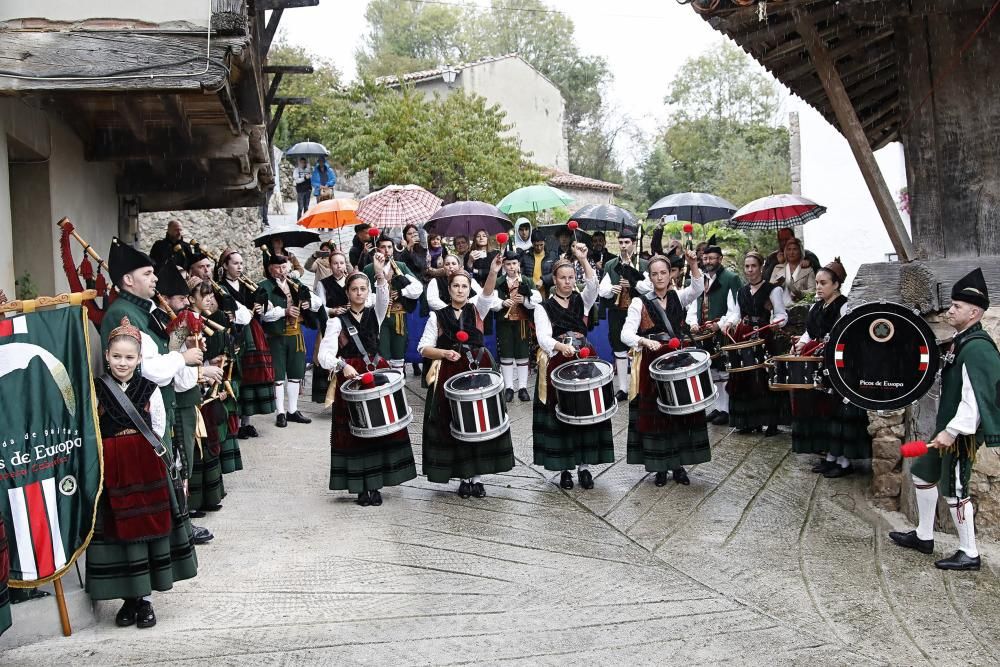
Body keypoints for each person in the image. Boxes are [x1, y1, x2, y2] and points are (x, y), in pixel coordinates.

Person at [101, 240, 216, 547]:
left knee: (172, 470)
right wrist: (183, 359)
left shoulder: (143, 311)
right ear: (128, 279)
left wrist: (184, 347)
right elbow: (144, 368)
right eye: (148, 273)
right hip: (138, 416)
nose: (155, 279)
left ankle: (177, 530)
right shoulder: (123, 314)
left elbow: (162, 349)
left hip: (159, 406)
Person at [88, 317, 197, 629]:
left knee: (148, 533)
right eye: (117, 356)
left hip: (146, 468)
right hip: (114, 471)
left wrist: (152, 458)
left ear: (138, 360)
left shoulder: (150, 387)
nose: (123, 363)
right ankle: (128, 598)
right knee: (120, 534)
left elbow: (159, 426)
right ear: (107, 357)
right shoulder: (97, 389)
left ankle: (145, 598)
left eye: (129, 357)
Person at [890, 269, 998, 571]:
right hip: (948, 428)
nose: (950, 311)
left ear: (974, 312)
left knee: (955, 489)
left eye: (957, 307)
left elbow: (975, 399)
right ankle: (924, 536)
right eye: (951, 305)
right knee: (923, 474)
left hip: (960, 434)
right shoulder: (961, 340)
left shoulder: (977, 348)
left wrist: (951, 432)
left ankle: (969, 552)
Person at [317, 265, 417, 506]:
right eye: (354, 289)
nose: (359, 293)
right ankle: (361, 486)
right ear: (347, 292)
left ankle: (377, 484)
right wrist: (342, 366)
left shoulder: (377, 313)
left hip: (377, 373)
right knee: (355, 432)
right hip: (351, 378)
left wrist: (381, 273)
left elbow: (383, 295)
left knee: (380, 428)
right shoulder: (336, 322)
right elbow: (323, 356)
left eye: (363, 289)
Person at [418, 254, 513, 498]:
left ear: (469, 289)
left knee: (481, 422)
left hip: (478, 368)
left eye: (464, 286)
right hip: (449, 372)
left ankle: (478, 478)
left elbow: (488, 294)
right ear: (449, 289)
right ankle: (463, 477)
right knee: (454, 423)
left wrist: (493, 271)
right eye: (456, 286)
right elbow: (424, 348)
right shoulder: (437, 316)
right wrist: (444, 352)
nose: (460, 290)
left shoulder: (477, 308)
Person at [621, 251, 706, 486]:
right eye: (655, 274)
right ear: (649, 276)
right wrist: (644, 341)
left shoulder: (678, 296)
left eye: (663, 273)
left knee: (679, 413)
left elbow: (698, 287)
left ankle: (678, 465)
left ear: (671, 275)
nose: (659, 278)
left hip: (677, 362)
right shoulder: (640, 301)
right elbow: (625, 334)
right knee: (658, 415)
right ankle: (659, 467)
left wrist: (693, 264)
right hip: (652, 364)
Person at [532, 243, 611, 490]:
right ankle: (565, 469)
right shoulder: (542, 307)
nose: (567, 282)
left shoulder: (581, 301)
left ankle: (585, 468)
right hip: (558, 362)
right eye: (562, 278)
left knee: (587, 414)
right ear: (554, 280)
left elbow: (594, 287)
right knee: (562, 415)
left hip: (585, 359)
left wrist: (583, 259)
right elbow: (543, 338)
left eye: (570, 277)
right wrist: (560, 347)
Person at [790, 258, 870, 478]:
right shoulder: (816, 306)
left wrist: (821, 345)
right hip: (820, 365)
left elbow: (844, 335)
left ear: (836, 284)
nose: (818, 287)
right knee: (824, 410)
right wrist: (801, 343)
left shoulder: (845, 306)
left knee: (839, 412)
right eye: (817, 282)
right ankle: (830, 457)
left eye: (823, 283)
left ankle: (844, 462)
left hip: (840, 367)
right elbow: (809, 332)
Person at [719, 251, 788, 436]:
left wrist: (776, 323)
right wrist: (728, 324)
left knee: (765, 378)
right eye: (747, 266)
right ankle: (751, 421)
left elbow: (782, 314)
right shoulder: (741, 291)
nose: (750, 270)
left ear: (762, 267)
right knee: (746, 378)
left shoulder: (773, 290)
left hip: (765, 337)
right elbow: (736, 313)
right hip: (744, 336)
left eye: (754, 266)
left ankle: (771, 423)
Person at [216, 249, 275, 437]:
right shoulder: (220, 288)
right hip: (233, 334)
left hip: (253, 333)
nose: (239, 267)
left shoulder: (247, 286)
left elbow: (260, 304)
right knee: (238, 376)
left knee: (253, 375)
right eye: (235, 263)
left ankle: (247, 422)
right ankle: (236, 422)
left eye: (241, 263)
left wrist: (259, 305)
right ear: (225, 265)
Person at [686, 236, 741, 425]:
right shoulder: (700, 279)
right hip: (704, 333)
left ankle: (726, 409)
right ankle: (717, 407)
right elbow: (694, 303)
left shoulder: (731, 279)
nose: (708, 261)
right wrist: (693, 322)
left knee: (724, 371)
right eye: (706, 258)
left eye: (712, 258)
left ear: (720, 259)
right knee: (712, 371)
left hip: (723, 331)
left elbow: (735, 309)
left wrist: (721, 324)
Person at [259, 252, 318, 427]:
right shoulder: (264, 287)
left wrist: (308, 303)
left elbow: (317, 302)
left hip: (295, 335)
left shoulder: (297, 284)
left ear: (289, 267)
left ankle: (292, 410)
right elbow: (264, 314)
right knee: (278, 375)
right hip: (276, 337)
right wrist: (284, 312)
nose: (281, 271)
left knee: (295, 373)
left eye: (284, 267)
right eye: (277, 267)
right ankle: (280, 412)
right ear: (270, 270)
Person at [599, 229, 650, 401]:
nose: (623, 246)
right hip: (617, 311)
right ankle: (622, 388)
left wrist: (633, 283)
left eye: (627, 242)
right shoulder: (611, 264)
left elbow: (649, 287)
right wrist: (612, 289)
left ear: (634, 243)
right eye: (620, 242)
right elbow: (602, 288)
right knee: (619, 348)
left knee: (639, 348)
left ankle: (640, 386)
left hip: (638, 313)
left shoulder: (643, 264)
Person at [363, 235, 424, 377]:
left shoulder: (400, 266)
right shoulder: (369, 268)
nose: (386, 250)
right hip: (379, 317)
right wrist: (379, 299)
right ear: (377, 249)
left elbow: (418, 288)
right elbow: (364, 294)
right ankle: (383, 382)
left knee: (399, 352)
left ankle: (397, 385)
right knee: (382, 352)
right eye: (383, 247)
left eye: (389, 247)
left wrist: (401, 293)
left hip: (398, 317)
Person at [492, 250, 542, 402]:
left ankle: (522, 388)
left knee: (522, 354)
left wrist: (525, 301)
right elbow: (490, 301)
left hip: (522, 323)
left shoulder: (526, 281)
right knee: (506, 354)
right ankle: (508, 388)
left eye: (514, 263)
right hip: (504, 323)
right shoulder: (498, 281)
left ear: (519, 264)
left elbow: (537, 301)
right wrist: (501, 303)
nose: (511, 267)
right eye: (508, 264)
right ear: (503, 266)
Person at [769, 237, 816, 307]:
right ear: (785, 251)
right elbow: (769, 289)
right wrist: (776, 285)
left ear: (800, 251)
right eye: (789, 249)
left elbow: (813, 291)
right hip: (781, 308)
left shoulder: (808, 269)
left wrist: (800, 293)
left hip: (801, 309)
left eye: (795, 249)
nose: (791, 252)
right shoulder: (777, 268)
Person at [520, 229, 556, 297]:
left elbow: (556, 273)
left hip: (547, 292)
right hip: (531, 293)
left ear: (544, 242)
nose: (539, 248)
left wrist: (543, 280)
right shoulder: (525, 256)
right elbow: (521, 273)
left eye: (541, 245)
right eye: (536, 245)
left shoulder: (552, 255)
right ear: (532, 243)